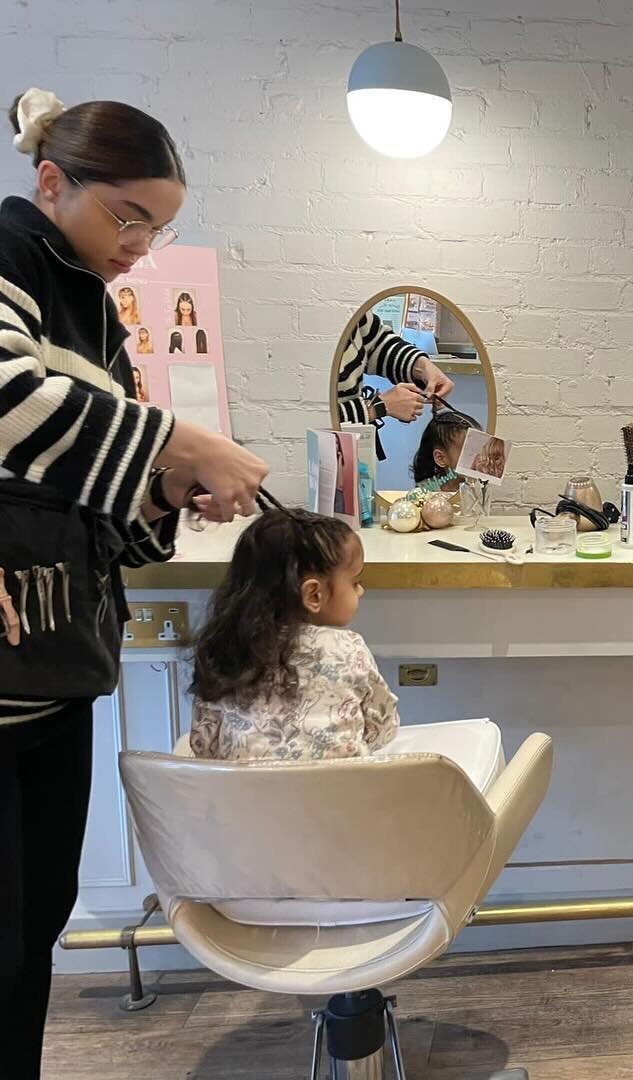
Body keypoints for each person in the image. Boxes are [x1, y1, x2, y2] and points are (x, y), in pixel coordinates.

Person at [0, 87, 267, 1078]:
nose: (141, 245)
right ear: (50, 183)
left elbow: (91, 493)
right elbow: (9, 398)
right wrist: (183, 441)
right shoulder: (11, 253)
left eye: (158, 228)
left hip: (58, 668)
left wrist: (166, 496)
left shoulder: (93, 304)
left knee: (35, 926)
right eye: (129, 217)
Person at [188, 508, 397, 761]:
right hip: (340, 797)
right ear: (314, 595)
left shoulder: (224, 650)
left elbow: (204, 744)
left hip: (243, 799)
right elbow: (382, 728)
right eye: (355, 582)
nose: (360, 591)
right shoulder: (349, 649)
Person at [333, 309, 455, 427]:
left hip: (360, 434)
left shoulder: (350, 303)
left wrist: (420, 366)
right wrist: (376, 407)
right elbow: (316, 415)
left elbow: (376, 342)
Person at [412, 405, 480, 490]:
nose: (478, 458)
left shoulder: (481, 485)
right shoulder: (425, 490)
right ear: (440, 458)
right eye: (469, 453)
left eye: (480, 450)